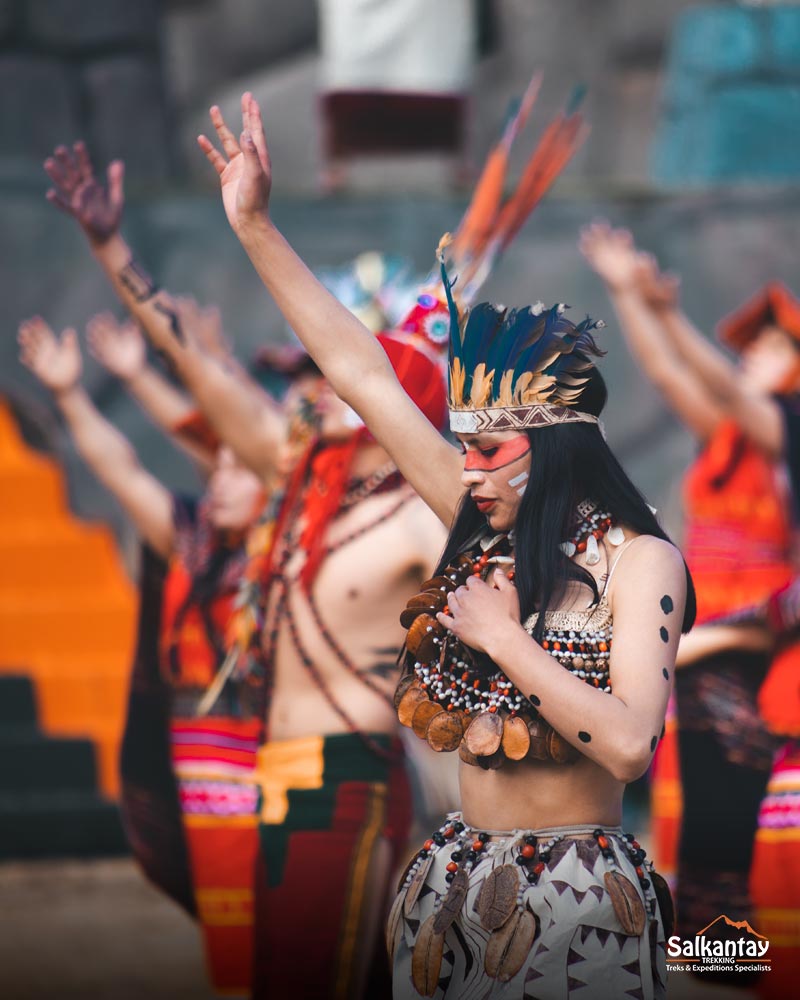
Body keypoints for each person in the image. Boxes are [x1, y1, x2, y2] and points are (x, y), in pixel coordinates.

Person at [191, 90, 695, 999]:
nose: (466, 469)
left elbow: (627, 746)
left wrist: (506, 641)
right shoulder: (475, 524)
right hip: (454, 886)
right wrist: (256, 225)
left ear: (554, 441)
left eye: (490, 449)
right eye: (460, 447)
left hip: (581, 898)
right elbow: (363, 375)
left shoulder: (641, 562)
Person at [17, 315, 271, 996]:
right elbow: (119, 469)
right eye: (212, 470)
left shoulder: (288, 554)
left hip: (272, 768)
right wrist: (72, 395)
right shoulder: (187, 539)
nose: (216, 482)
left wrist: (168, 369)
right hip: (198, 772)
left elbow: (216, 425)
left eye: (233, 471)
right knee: (231, 950)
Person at [580, 225, 800, 957]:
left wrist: (666, 309)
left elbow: (729, 387)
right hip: (702, 644)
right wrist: (626, 296)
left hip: (749, 637)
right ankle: (717, 960)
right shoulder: (732, 440)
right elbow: (675, 380)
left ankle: (742, 960)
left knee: (735, 812)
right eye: (755, 347)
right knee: (702, 815)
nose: (755, 358)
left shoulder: (778, 433)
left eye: (776, 348)